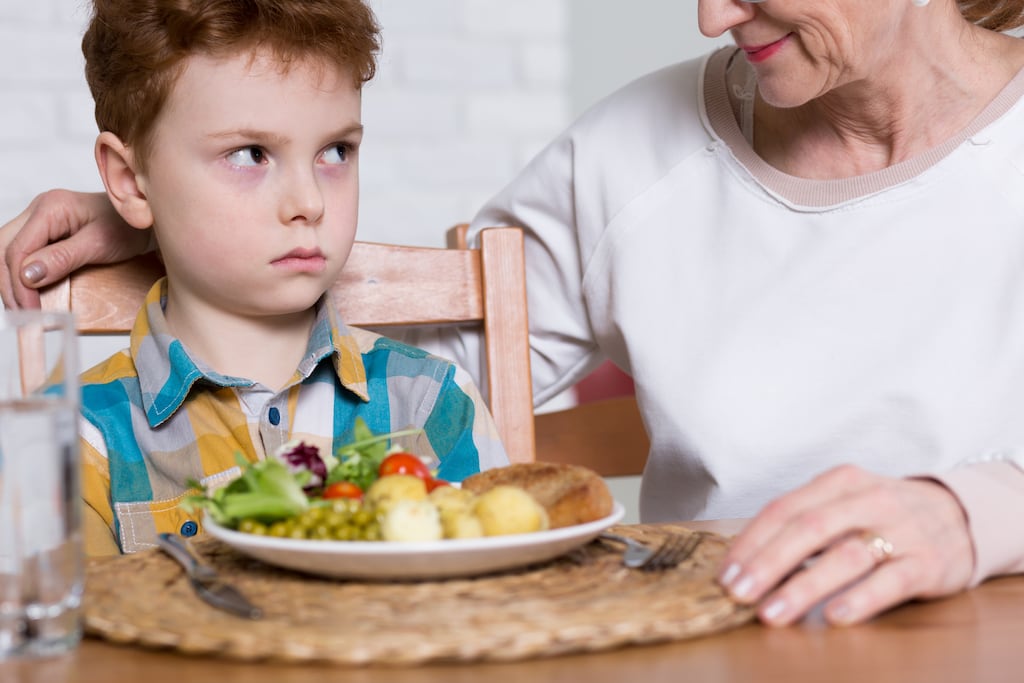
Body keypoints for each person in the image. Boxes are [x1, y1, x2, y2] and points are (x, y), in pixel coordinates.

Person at [4, 0, 1024, 626]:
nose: (710, 14)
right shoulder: (631, 154)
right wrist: (172, 215)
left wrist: (970, 513)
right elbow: (389, 371)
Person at [39, 0, 508, 557]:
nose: (309, 202)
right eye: (250, 154)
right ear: (131, 182)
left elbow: (496, 609)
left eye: (337, 151)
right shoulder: (70, 439)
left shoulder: (431, 402)